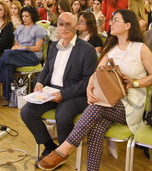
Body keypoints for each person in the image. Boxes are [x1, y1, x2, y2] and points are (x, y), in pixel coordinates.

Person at [37, 9, 152, 171]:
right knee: (97, 123)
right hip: (108, 102)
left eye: (116, 20)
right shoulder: (111, 49)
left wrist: (135, 82)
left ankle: (64, 149)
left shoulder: (141, 48)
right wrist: (89, 89)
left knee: (97, 107)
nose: (111, 22)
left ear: (128, 25)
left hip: (131, 106)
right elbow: (95, 74)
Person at [21, 12, 98, 159]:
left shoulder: (87, 49)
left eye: (68, 24)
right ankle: (50, 147)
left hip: (73, 94)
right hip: (50, 90)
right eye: (61, 24)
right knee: (27, 112)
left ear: (76, 26)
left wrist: (63, 94)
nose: (64, 28)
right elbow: (46, 69)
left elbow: (87, 81)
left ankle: (62, 153)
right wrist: (39, 82)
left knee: (62, 118)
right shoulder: (53, 46)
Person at [0, 5, 47, 106]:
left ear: (32, 16)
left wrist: (23, 47)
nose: (24, 18)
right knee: (8, 65)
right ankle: (7, 97)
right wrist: (17, 47)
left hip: (33, 55)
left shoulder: (38, 29)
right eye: (23, 16)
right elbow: (16, 45)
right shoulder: (19, 28)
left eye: (27, 16)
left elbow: (37, 48)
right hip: (19, 54)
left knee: (7, 53)